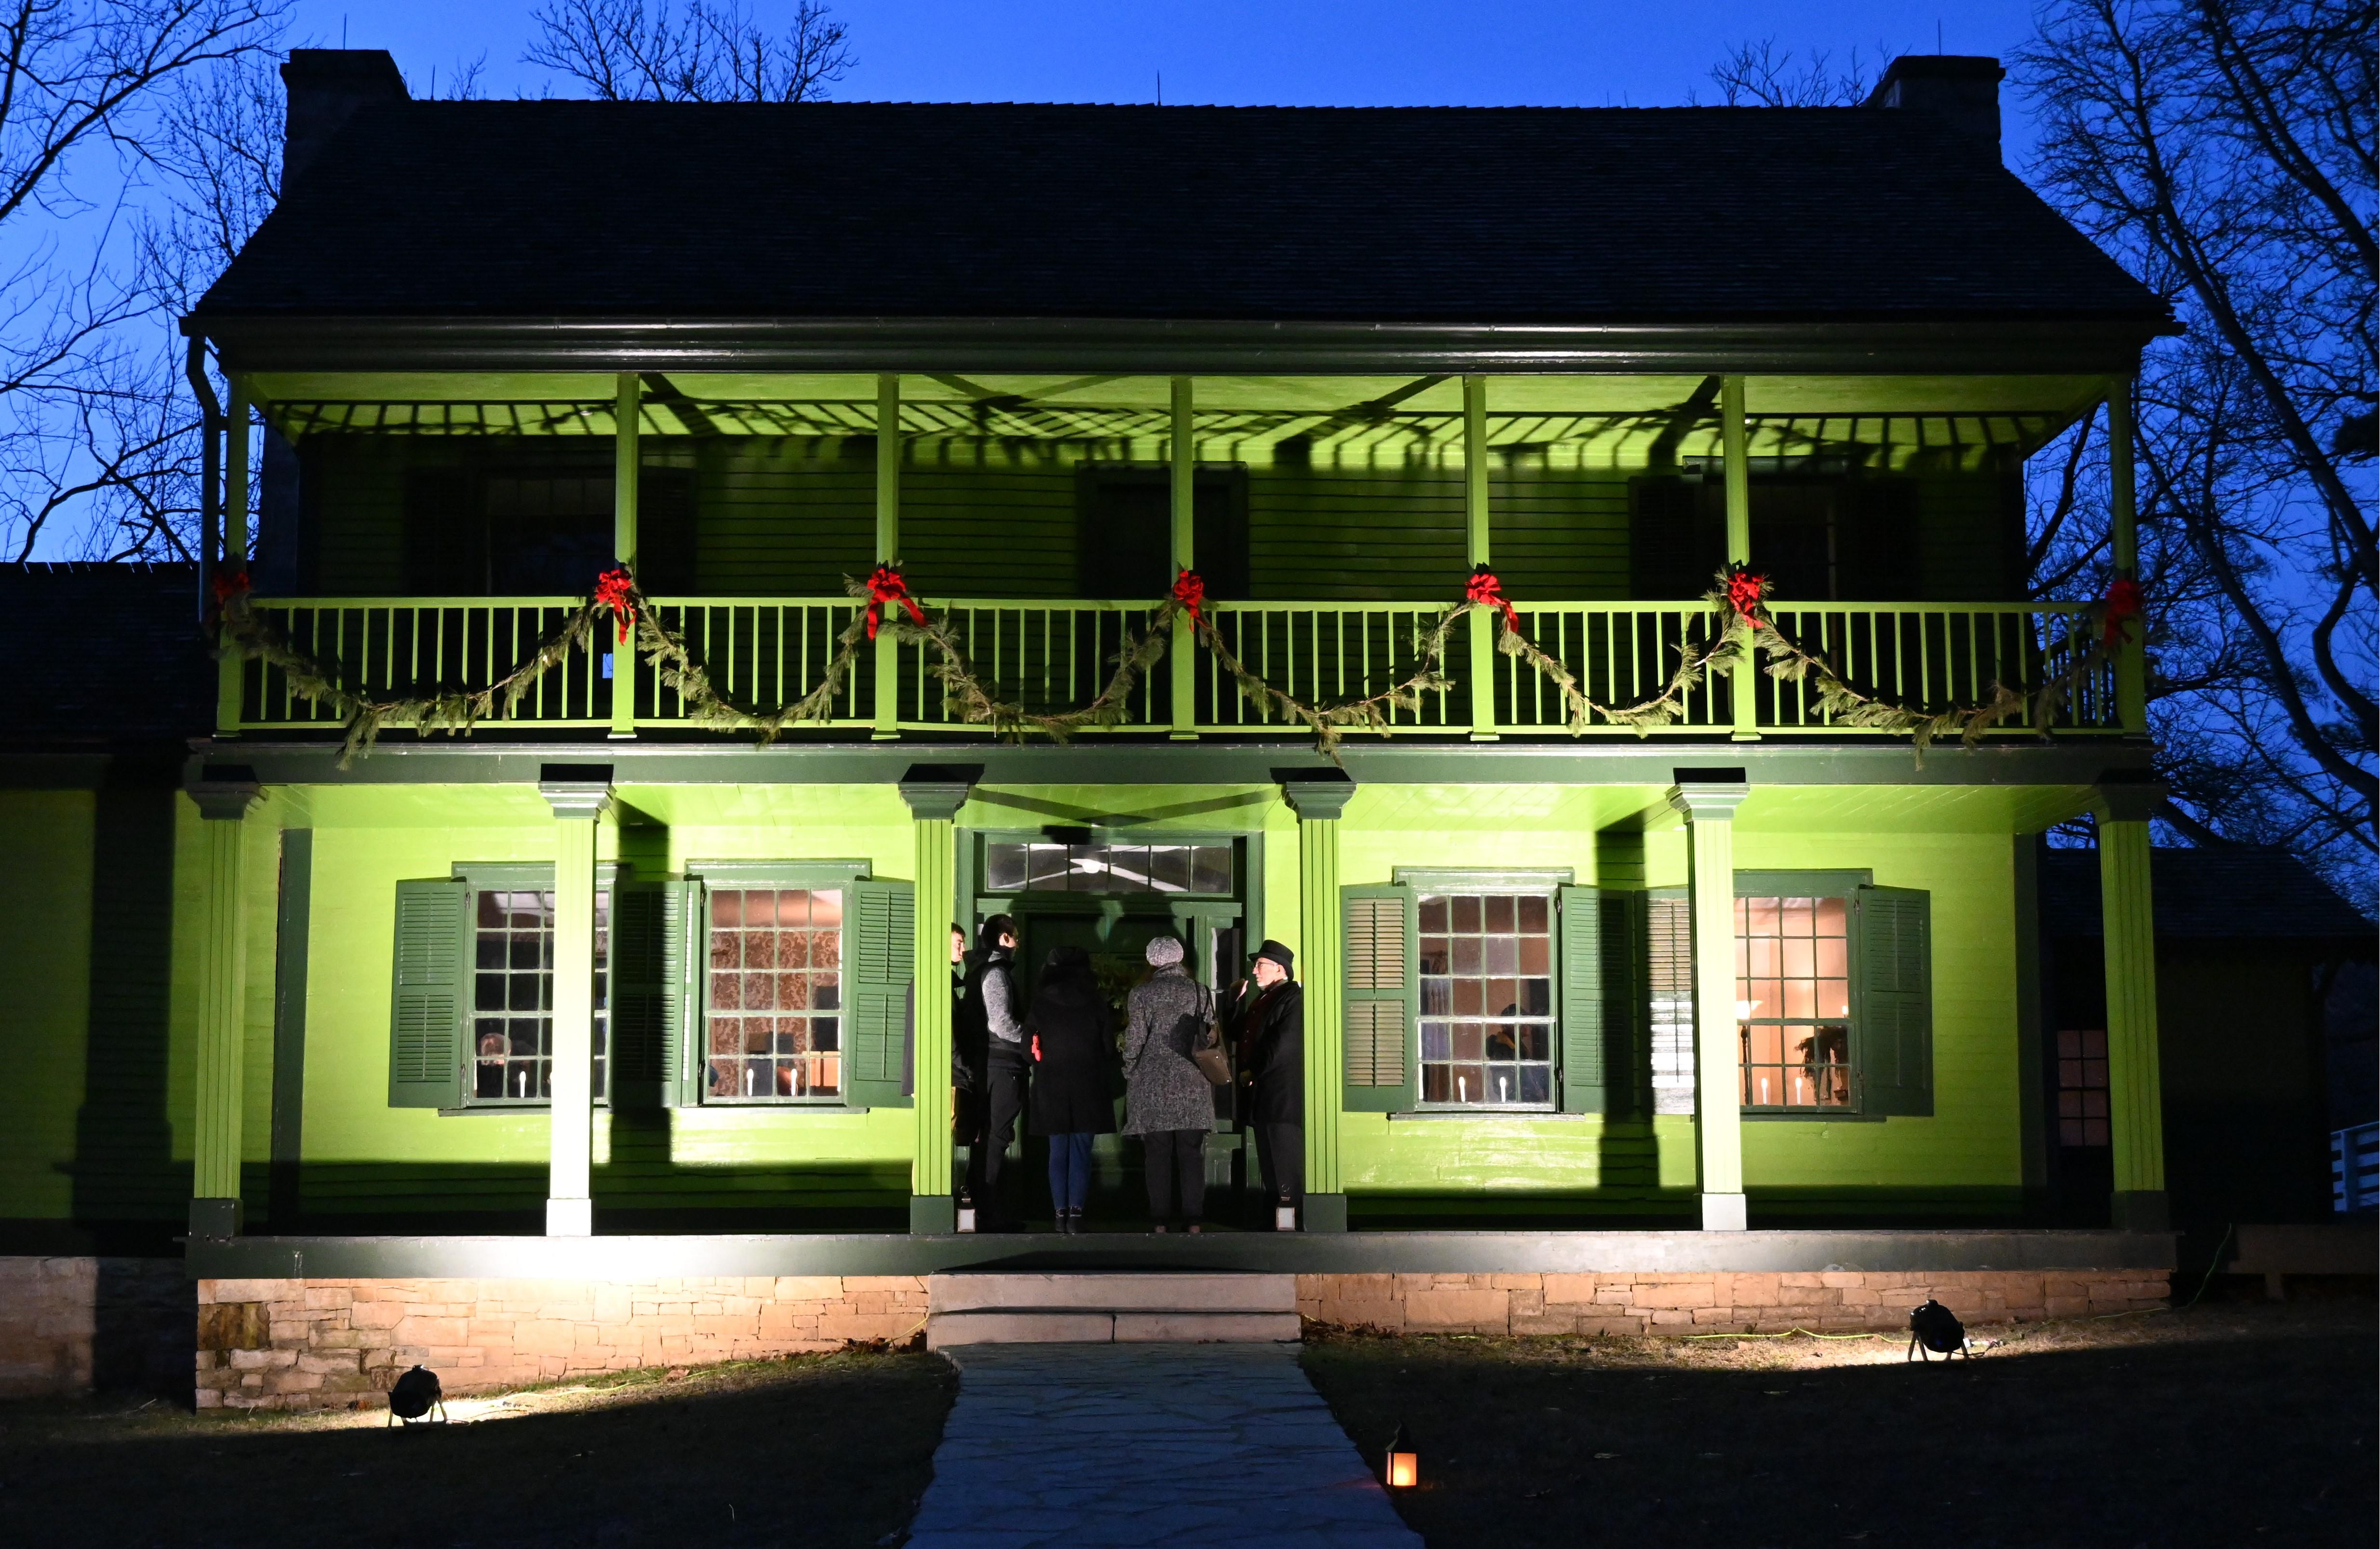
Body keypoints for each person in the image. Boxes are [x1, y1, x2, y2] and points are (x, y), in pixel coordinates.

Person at [1122, 935, 1215, 1232]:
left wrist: (1128, 1067)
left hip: (1152, 1084)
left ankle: (1160, 1220)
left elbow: (1135, 1038)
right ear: (1180, 958)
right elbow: (1212, 1034)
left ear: (1152, 961)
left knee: (1157, 1154)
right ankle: (1195, 1220)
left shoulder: (1142, 994)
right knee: (1191, 1154)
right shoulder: (1200, 991)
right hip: (1193, 1082)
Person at [1025, 946, 1118, 1234]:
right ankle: (1076, 1215)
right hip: (1088, 1086)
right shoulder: (1095, 1002)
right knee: (1081, 1151)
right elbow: (1108, 1049)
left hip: (1051, 1086)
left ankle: (1059, 1213)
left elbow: (1027, 1052)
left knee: (1057, 1151)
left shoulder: (1040, 1002)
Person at [957, 914, 1025, 1229]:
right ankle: (990, 1211)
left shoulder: (975, 971)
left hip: (984, 1062)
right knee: (997, 1137)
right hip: (1001, 1062)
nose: (1018, 942)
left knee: (985, 1138)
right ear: (1003, 939)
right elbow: (1000, 1022)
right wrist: (1028, 1037)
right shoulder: (996, 973)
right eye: (1014, 936)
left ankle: (978, 1205)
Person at [1237, 940, 1304, 1229]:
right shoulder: (1263, 1000)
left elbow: (1282, 1045)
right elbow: (1238, 1033)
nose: (1255, 971)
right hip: (1264, 1096)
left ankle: (1288, 1225)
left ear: (1279, 969)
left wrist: (1252, 1070)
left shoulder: (1291, 998)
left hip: (1281, 1096)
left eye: (1260, 965)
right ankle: (1276, 1224)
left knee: (1283, 1162)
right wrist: (1235, 1001)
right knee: (1269, 1160)